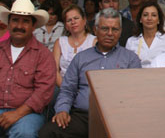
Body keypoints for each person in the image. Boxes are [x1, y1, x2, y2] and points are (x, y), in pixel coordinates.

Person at [39, 8, 141, 137]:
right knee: (48, 132)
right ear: (95, 30)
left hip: (118, 118)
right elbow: (67, 90)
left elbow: (136, 95)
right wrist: (62, 110)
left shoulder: (130, 59)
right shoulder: (81, 58)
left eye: (115, 29)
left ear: (120, 32)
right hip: (83, 116)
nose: (110, 33)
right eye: (104, 28)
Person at [0, 0, 55, 137]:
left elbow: (43, 91)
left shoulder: (43, 55)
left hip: (27, 113)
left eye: (25, 21)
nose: (19, 25)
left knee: (25, 133)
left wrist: (17, 114)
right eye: (15, 20)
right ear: (8, 23)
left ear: (33, 26)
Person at [52, 5, 96, 87]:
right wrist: (65, 90)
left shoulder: (94, 41)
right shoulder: (60, 42)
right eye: (69, 20)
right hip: (63, 87)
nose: (73, 22)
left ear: (84, 20)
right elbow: (54, 70)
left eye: (76, 18)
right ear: (66, 26)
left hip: (88, 88)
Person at [125, 1, 165, 68]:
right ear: (140, 19)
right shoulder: (131, 41)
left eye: (154, 15)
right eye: (145, 15)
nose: (149, 18)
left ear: (159, 20)